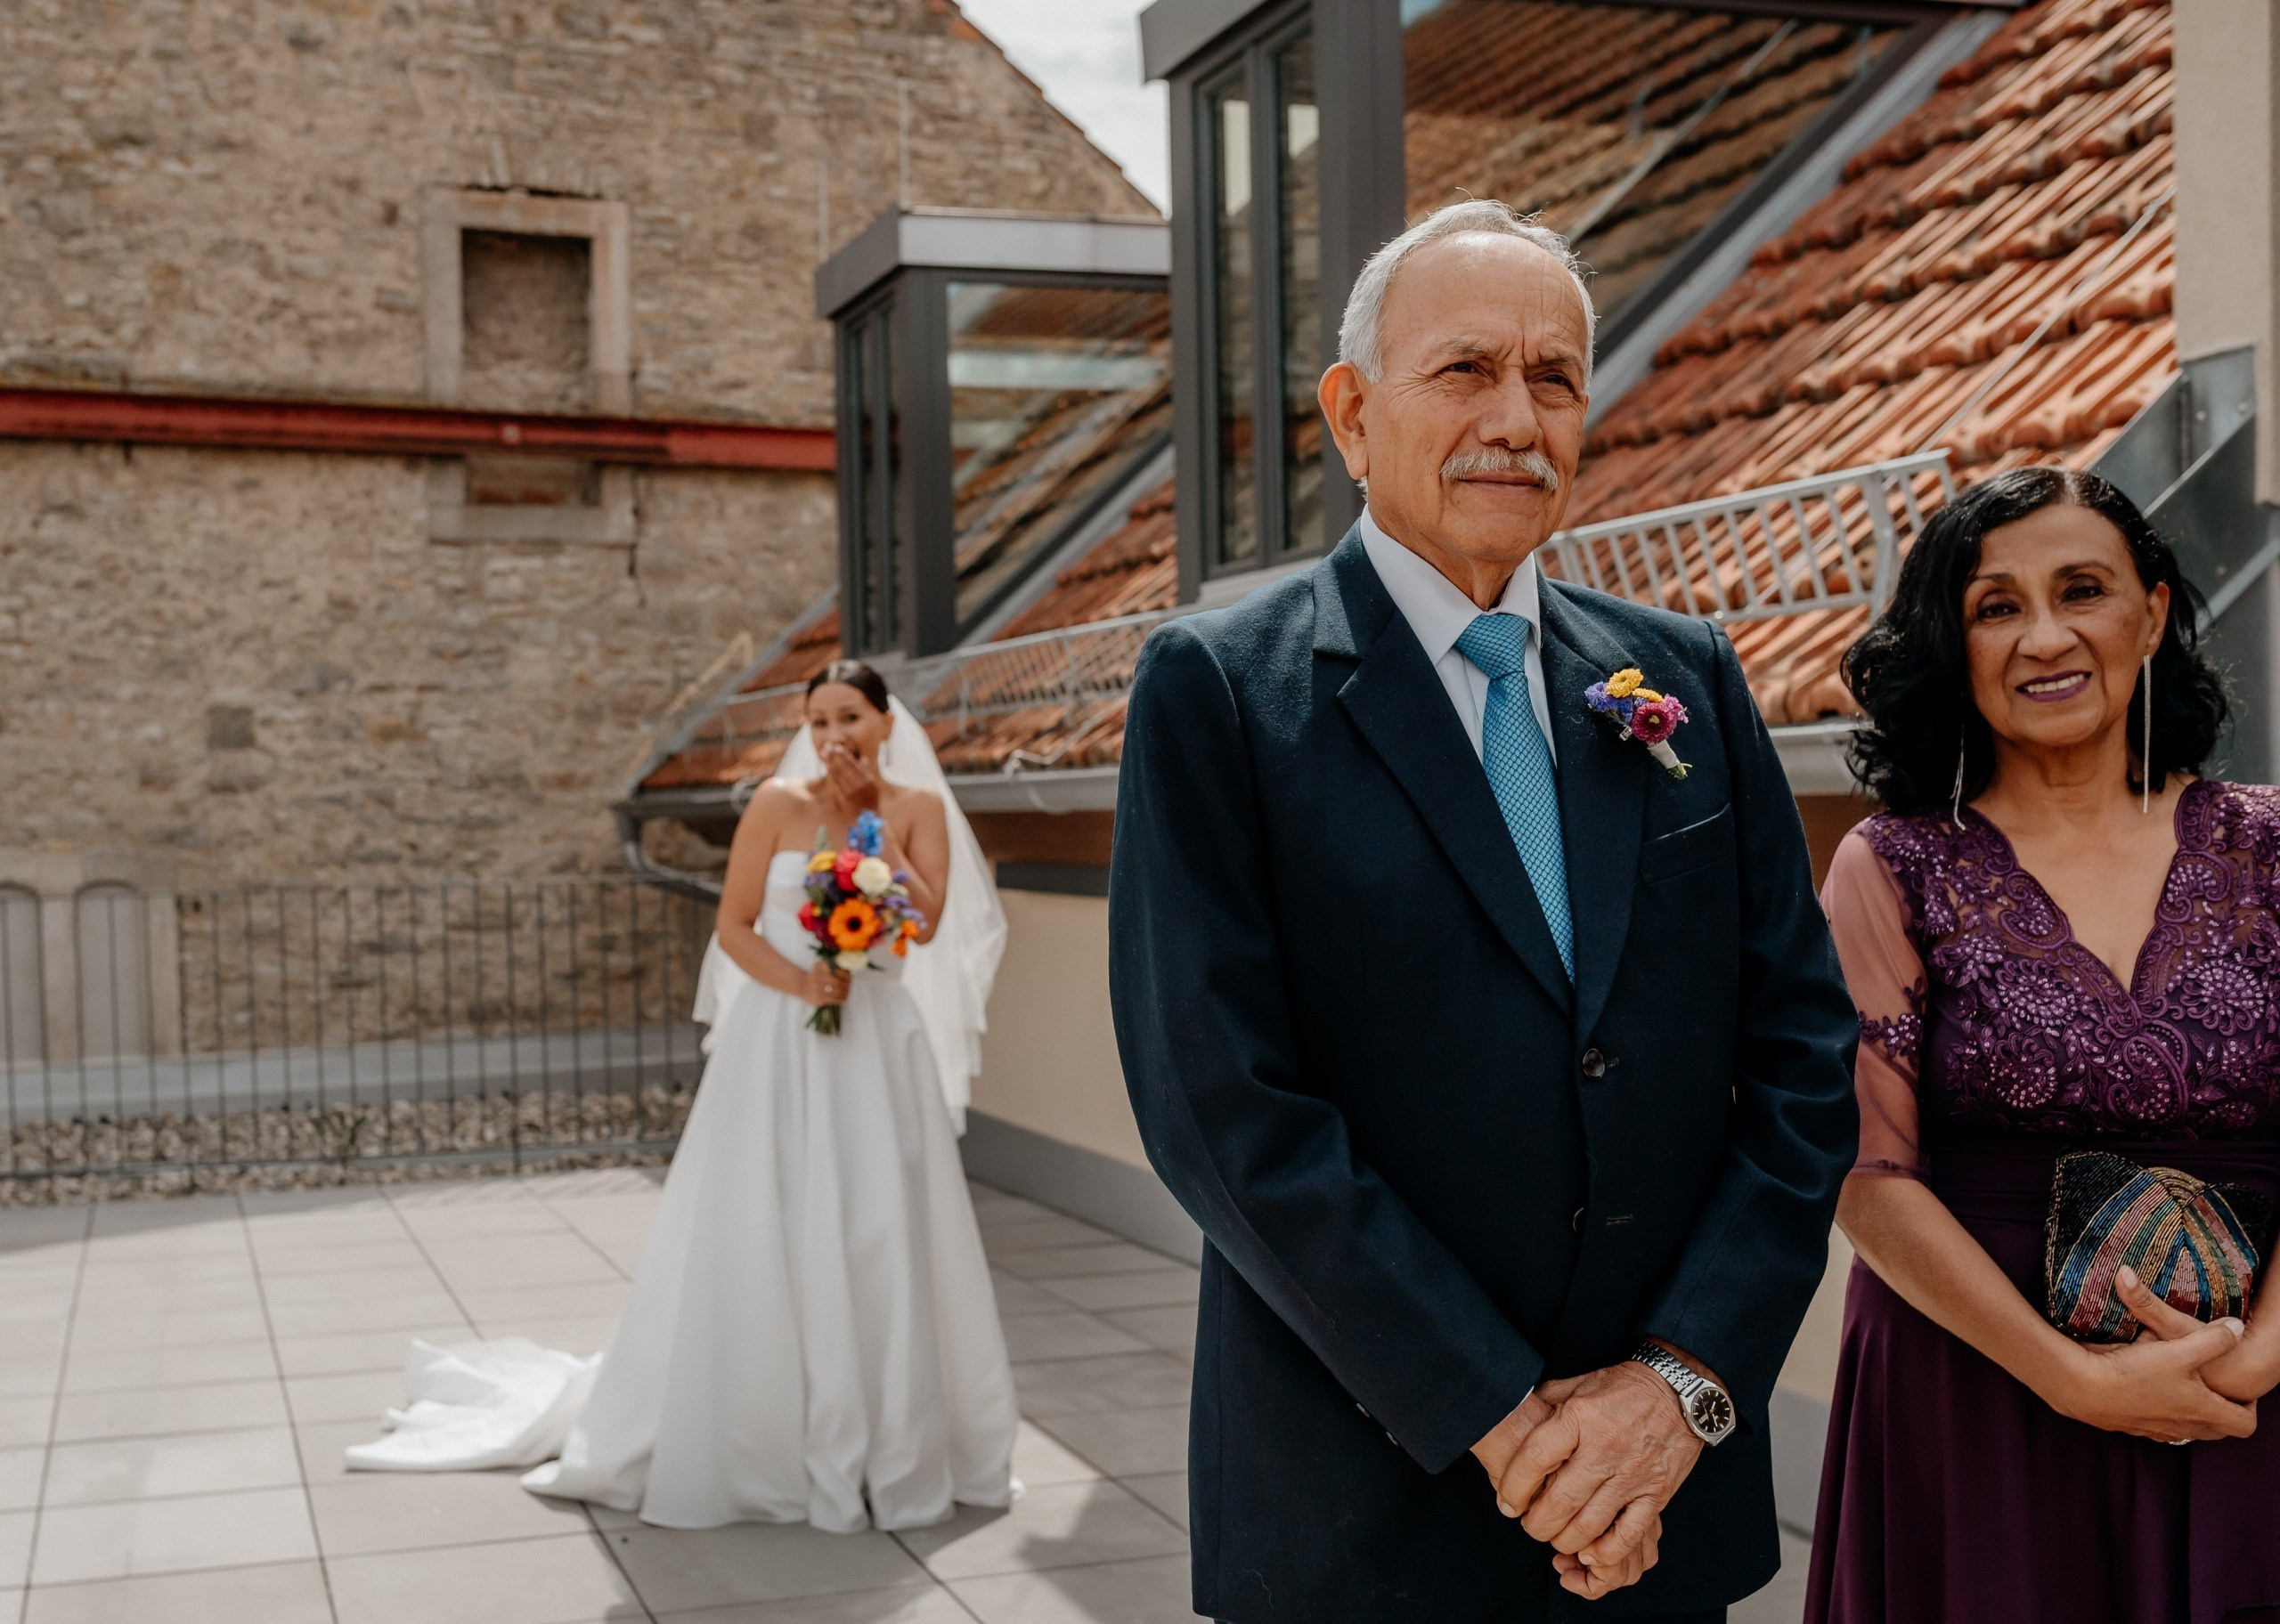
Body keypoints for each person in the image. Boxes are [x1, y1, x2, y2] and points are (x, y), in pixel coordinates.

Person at [1107, 198, 1860, 1624]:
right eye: (1464, 369)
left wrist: (1679, 1388)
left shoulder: (1686, 677)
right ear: (1351, 414)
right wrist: (1514, 1429)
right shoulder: (1220, 693)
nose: (1517, 417)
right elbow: (1220, 1108)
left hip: (1662, 1498)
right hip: (1365, 1506)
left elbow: (1806, 1059)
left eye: (1554, 377)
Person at [346, 660, 1018, 1534]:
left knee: (877, 1223)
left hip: (879, 1044)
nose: (833, 737)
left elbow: (922, 925)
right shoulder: (775, 803)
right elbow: (734, 925)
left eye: (850, 717)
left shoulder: (918, 809)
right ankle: (760, 1429)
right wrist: (802, 983)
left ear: (887, 724)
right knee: (766, 1214)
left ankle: (889, 1436)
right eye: (818, 720)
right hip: (781, 1038)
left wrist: (872, 827)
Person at [1807, 467, 2280, 1623]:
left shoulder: (2272, 849)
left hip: (2253, 1401)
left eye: (2082, 590)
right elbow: (1865, 1171)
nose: (2045, 637)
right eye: (1996, 606)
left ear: (2151, 614)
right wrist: (2067, 1375)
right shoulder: (1889, 867)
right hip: (1973, 1400)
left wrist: (2253, 1356)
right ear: (1953, 643)